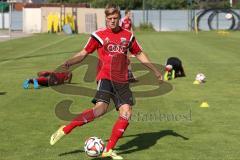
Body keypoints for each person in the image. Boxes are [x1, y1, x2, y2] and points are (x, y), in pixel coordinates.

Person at [50, 4, 163, 160]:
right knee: (100, 110)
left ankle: (108, 150)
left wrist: (155, 70)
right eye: (110, 19)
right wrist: (70, 61)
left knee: (126, 112)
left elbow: (139, 53)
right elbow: (84, 52)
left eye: (115, 18)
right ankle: (66, 129)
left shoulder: (128, 35)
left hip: (122, 80)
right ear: (106, 18)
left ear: (119, 17)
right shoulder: (99, 35)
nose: (112, 21)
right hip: (105, 77)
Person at [120, 9, 137, 82]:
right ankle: (128, 75)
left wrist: (133, 36)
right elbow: (120, 29)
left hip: (129, 39)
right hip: (123, 40)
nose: (130, 14)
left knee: (127, 57)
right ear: (126, 13)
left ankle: (129, 74)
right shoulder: (122, 20)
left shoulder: (129, 20)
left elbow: (131, 28)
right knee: (126, 57)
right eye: (129, 13)